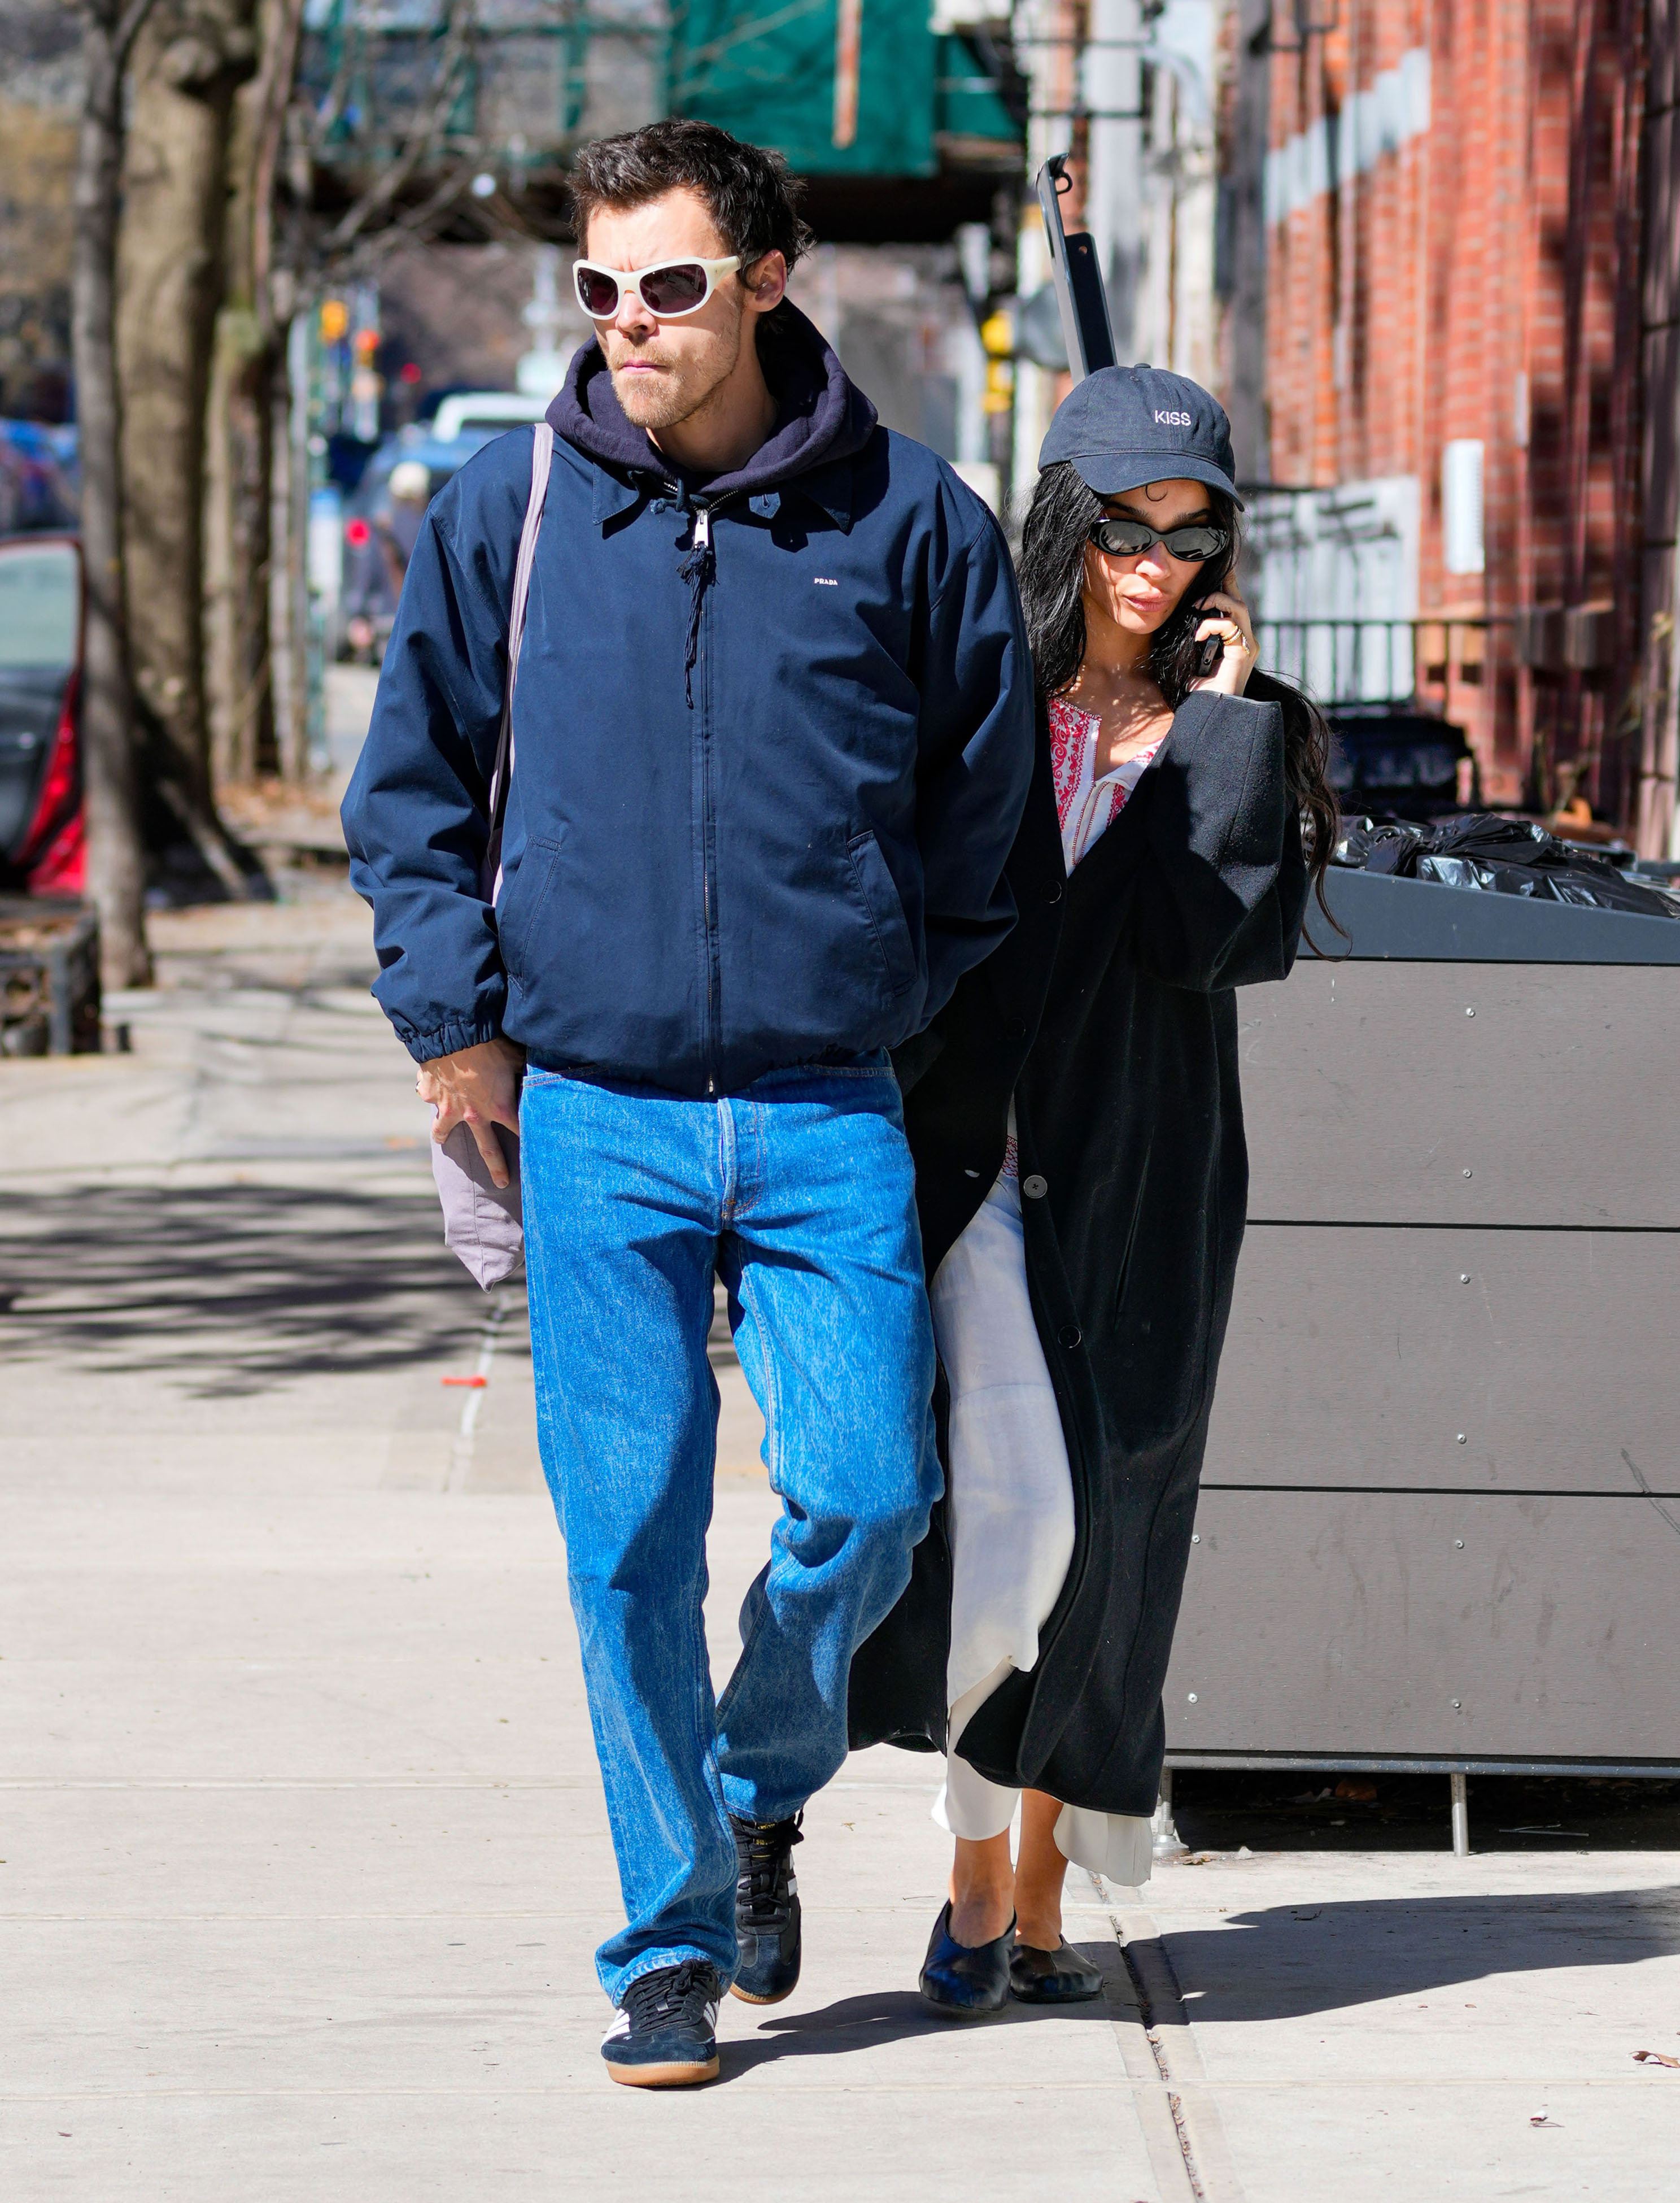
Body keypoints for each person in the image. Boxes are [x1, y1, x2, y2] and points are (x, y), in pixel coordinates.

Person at [341, 120, 1034, 2084]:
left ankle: (755, 1778)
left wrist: (887, 989)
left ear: (763, 278)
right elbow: (407, 795)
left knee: (868, 1501)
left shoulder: (911, 523)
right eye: (597, 290)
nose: (625, 324)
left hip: (825, 1103)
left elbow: (981, 822)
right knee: (623, 1538)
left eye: (664, 285)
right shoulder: (511, 512)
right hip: (593, 1110)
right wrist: (453, 1029)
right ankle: (667, 1941)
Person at [847, 365, 1337, 2014]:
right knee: (1013, 1525)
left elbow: (1217, 941)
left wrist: (1211, 725)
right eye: (1124, 525)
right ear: (1069, 518)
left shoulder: (1235, 723)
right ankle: (978, 1870)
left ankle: (1036, 1895)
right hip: (984, 1160)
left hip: (1144, 1167)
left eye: (1189, 532)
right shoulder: (981, 697)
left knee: (1115, 1541)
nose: (1155, 560)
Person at [343, 459, 431, 661]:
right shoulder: (432, 528)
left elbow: (366, 572)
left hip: (386, 621)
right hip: (424, 622)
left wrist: (358, 616)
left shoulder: (384, 528)